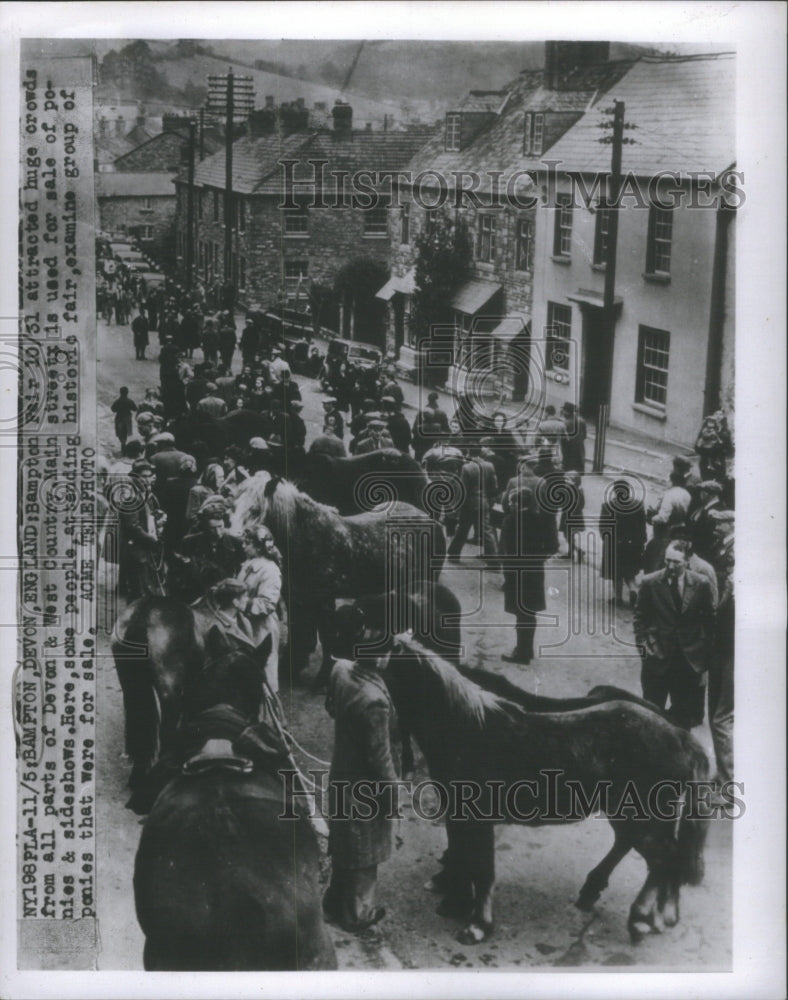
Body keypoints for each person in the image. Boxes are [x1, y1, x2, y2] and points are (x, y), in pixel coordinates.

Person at [322, 605, 399, 934]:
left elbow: (330, 706)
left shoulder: (341, 671)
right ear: (379, 658)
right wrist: (394, 798)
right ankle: (358, 915)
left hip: (341, 774)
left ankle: (332, 904)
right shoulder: (374, 701)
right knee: (365, 855)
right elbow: (380, 759)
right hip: (364, 789)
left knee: (343, 846)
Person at [634, 539, 716, 729]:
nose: (671, 566)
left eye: (676, 562)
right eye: (667, 561)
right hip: (657, 660)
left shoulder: (701, 584)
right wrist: (645, 649)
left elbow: (709, 620)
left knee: (683, 719)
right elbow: (640, 618)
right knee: (651, 717)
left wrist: (703, 655)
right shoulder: (650, 582)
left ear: (687, 562)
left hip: (687, 663)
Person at [500, 485, 558, 664]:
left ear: (517, 502)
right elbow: (552, 546)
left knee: (520, 613)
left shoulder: (511, 520)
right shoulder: (541, 519)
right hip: (534, 571)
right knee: (529, 612)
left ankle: (522, 653)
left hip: (516, 572)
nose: (509, 505)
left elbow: (504, 549)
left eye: (511, 502)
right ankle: (527, 649)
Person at [239, 526, 283, 696]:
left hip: (262, 629)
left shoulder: (270, 570)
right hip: (247, 626)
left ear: (258, 547)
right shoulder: (248, 564)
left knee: (265, 674)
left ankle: (269, 715)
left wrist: (238, 603)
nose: (243, 546)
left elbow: (267, 604)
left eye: (247, 543)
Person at [118, 459, 166, 599]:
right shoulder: (131, 497)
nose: (146, 479)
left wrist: (158, 517)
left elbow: (148, 515)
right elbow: (132, 526)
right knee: (140, 592)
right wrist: (151, 540)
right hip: (136, 551)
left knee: (146, 590)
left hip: (145, 550)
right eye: (143, 476)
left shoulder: (144, 493)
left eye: (148, 476)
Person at [599, 478, 647, 608]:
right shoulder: (638, 505)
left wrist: (606, 539)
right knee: (630, 570)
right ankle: (633, 590)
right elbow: (642, 526)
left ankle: (618, 597)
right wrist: (641, 542)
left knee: (616, 572)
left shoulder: (608, 505)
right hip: (633, 544)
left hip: (615, 544)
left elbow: (603, 526)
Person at [447, 446, 498, 561]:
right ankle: (493, 560)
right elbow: (494, 486)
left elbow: (463, 489)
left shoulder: (467, 468)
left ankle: (454, 554)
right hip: (484, 502)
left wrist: (456, 505)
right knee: (486, 531)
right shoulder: (490, 466)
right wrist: (487, 498)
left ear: (469, 453)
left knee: (462, 530)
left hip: (468, 503)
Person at [560, 401, 587, 474]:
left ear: (567, 412)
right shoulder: (582, 421)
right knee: (578, 474)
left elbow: (563, 440)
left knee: (568, 474)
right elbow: (584, 436)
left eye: (564, 411)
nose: (563, 413)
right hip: (580, 453)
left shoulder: (565, 424)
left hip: (568, 454)